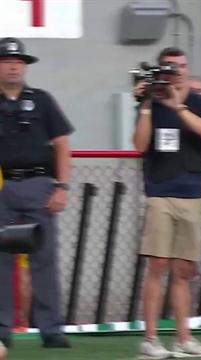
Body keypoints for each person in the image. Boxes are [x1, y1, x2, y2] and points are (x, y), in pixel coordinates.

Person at [132, 47, 201, 359]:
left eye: (182, 65)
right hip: (159, 191)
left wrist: (179, 107)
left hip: (194, 192)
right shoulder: (151, 102)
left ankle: (184, 339)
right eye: (171, 67)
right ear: (161, 69)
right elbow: (140, 144)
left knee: (184, 270)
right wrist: (145, 104)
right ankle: (150, 339)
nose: (178, 71)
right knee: (157, 266)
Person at [0, 37, 72, 349]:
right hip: (1, 187)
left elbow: (62, 145)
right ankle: (1, 329)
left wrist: (61, 186)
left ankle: (51, 329)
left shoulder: (42, 100)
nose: (14, 66)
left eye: (19, 61)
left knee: (44, 260)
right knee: (1, 261)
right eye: (6, 61)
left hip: (39, 187)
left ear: (25, 66)